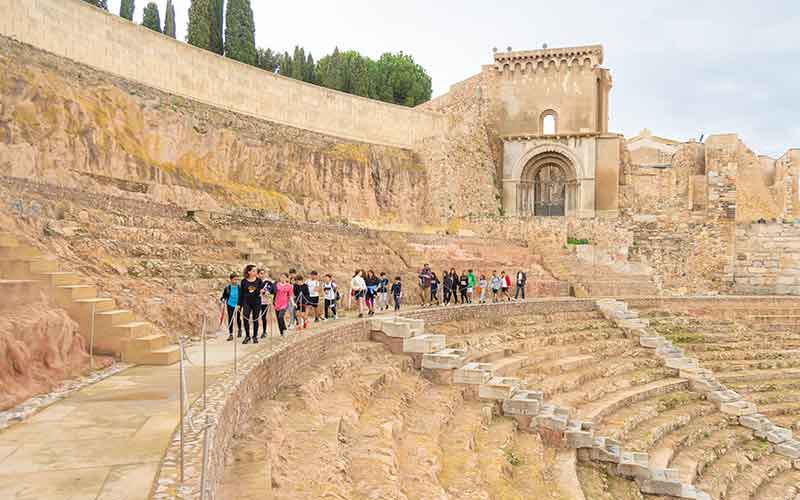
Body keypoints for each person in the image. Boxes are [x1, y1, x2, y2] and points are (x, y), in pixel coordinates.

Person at [239, 264, 262, 344]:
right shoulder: (243, 281)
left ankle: (255, 336)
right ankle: (247, 336)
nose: (256, 272)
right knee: (245, 318)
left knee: (255, 319)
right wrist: (239, 304)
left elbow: (260, 292)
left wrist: (259, 291)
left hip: (256, 302)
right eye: (254, 271)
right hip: (246, 302)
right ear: (249, 272)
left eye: (256, 271)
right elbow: (241, 294)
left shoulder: (259, 281)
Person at [220, 272, 242, 341]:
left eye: (236, 279)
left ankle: (239, 330)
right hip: (230, 304)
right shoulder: (227, 288)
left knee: (238, 318)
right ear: (231, 280)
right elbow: (223, 296)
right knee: (230, 318)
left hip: (238, 305)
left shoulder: (239, 287)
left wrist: (240, 304)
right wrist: (223, 299)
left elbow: (242, 296)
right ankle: (231, 334)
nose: (235, 281)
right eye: (234, 279)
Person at [258, 269, 275, 339]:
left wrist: (270, 298)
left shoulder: (268, 282)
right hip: (256, 301)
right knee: (256, 316)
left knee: (263, 316)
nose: (262, 275)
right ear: (258, 274)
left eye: (263, 273)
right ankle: (255, 332)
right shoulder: (256, 282)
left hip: (265, 302)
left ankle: (264, 331)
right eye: (261, 273)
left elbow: (272, 291)